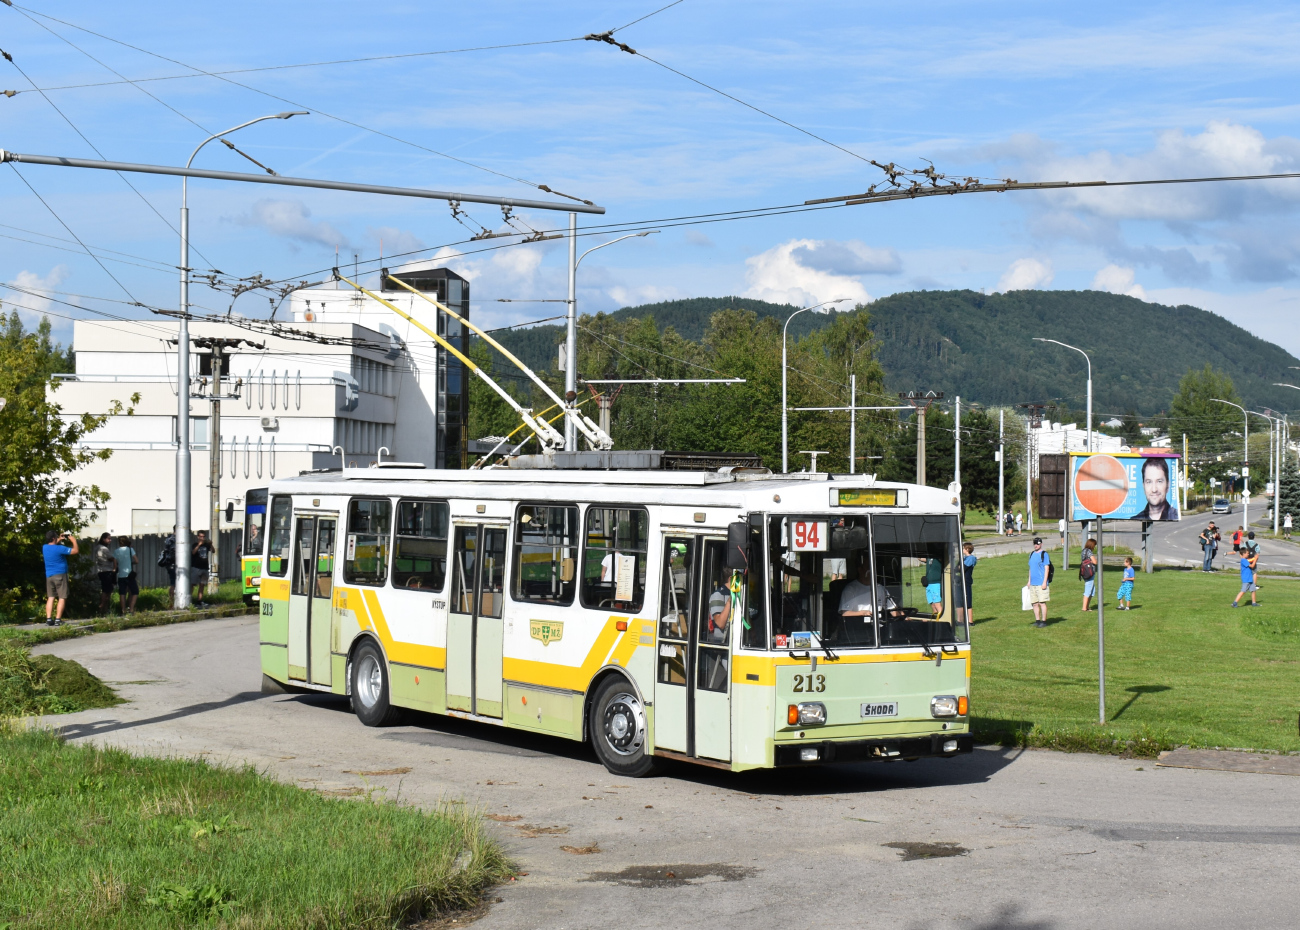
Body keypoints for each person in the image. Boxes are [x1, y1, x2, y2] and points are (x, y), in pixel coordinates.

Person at [42, 529, 79, 626]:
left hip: (49, 576)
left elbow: (52, 546)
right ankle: (58, 620)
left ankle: (49, 619)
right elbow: (75, 551)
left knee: (51, 597)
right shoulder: (60, 548)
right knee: (62, 597)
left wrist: (59, 539)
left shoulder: (45, 547)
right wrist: (73, 540)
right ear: (54, 538)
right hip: (60, 575)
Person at [1134, 457, 1179, 521]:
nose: (1154, 490)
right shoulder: (1136, 519)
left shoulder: (1175, 516)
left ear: (1168, 485)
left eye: (1159, 481)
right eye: (1149, 482)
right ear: (1143, 486)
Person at [1027, 537, 1052, 628]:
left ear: (1041, 544)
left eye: (1037, 544)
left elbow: (1047, 568)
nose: (1036, 545)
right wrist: (1029, 581)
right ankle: (1037, 620)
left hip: (1041, 583)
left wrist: (1044, 582)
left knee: (1042, 602)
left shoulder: (1044, 554)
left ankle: (1044, 621)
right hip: (1033, 583)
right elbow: (1030, 569)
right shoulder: (1031, 554)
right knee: (1034, 603)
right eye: (1034, 544)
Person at [113, 535, 140, 615]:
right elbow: (137, 561)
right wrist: (130, 563)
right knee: (135, 591)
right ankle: (131, 609)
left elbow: (115, 565)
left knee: (122, 593)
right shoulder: (130, 550)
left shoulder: (116, 551)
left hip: (121, 575)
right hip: (129, 575)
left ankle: (123, 610)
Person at [93, 532, 116, 615]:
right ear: (103, 539)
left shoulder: (97, 547)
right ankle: (102, 608)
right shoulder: (104, 549)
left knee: (106, 589)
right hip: (107, 571)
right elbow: (112, 558)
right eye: (108, 538)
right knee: (107, 591)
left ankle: (104, 609)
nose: (110, 540)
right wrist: (114, 568)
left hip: (101, 571)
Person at [705, 578, 733, 643]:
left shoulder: (740, 593)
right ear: (731, 578)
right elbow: (720, 623)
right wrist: (729, 601)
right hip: (723, 644)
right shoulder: (718, 595)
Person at [191, 530, 214, 607]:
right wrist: (199, 545)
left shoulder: (206, 545)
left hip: (204, 568)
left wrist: (211, 545)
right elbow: (193, 553)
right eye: (200, 536)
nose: (202, 538)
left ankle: (199, 601)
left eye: (203, 537)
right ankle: (189, 600)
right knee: (192, 584)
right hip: (196, 568)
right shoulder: (195, 544)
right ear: (198, 537)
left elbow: (213, 551)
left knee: (202, 584)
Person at [955, 542, 976, 626]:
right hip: (960, 580)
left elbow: (962, 568)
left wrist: (959, 567)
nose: (962, 550)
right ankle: (960, 620)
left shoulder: (971, 558)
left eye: (963, 548)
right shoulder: (963, 558)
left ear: (967, 549)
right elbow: (956, 568)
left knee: (968, 601)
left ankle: (970, 621)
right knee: (959, 600)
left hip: (966, 581)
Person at [160, 526, 177, 607]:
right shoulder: (172, 539)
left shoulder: (169, 539)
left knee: (174, 583)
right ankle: (171, 603)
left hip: (173, 564)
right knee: (173, 583)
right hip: (172, 563)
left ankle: (173, 602)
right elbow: (173, 551)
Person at [923, 554, 945, 618]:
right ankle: (935, 619)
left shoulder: (938, 558)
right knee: (932, 603)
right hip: (928, 584)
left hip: (936, 583)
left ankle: (942, 619)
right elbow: (920, 558)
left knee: (937, 603)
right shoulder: (928, 558)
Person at [1079, 538, 1097, 611]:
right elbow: (1095, 562)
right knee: (1088, 590)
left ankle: (1087, 607)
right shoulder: (1089, 551)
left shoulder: (1083, 551)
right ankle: (1084, 608)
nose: (1094, 547)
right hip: (1089, 572)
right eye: (1094, 545)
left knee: (1092, 590)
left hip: (1084, 571)